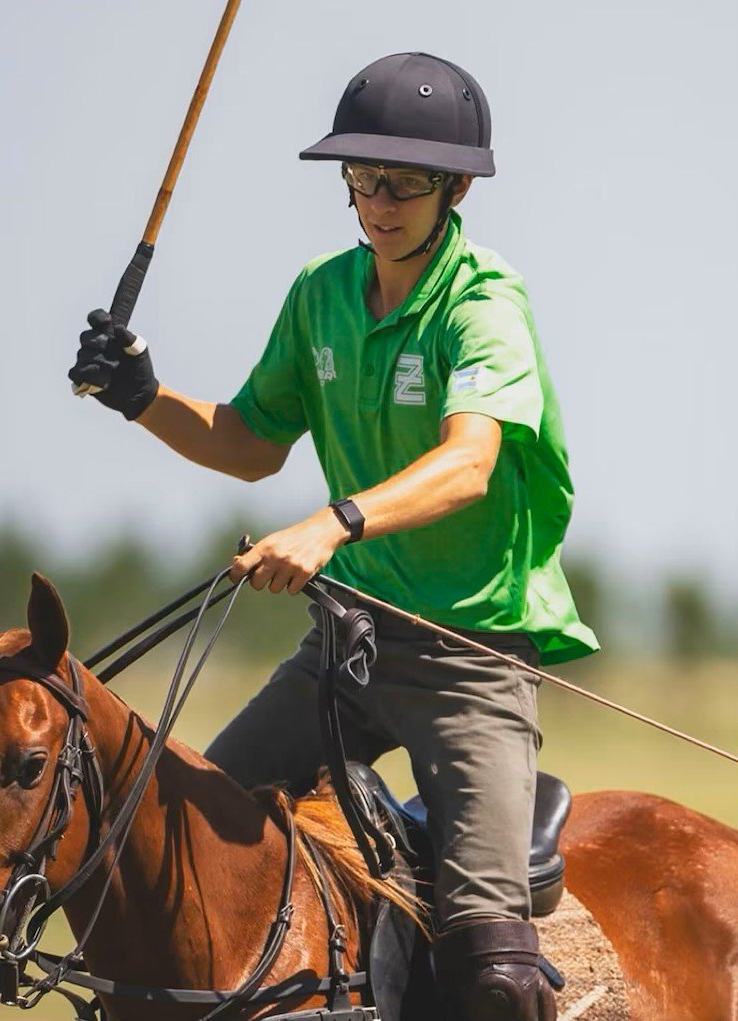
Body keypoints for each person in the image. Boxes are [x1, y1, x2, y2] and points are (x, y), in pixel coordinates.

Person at [69, 51, 598, 1021]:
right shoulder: (320, 292)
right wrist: (140, 395)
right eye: (360, 179)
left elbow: (468, 460)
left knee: (492, 967)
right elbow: (246, 442)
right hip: (344, 653)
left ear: (451, 186)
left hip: (468, 665)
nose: (376, 200)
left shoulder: (483, 302)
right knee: (172, 842)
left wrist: (333, 521)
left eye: (399, 181)